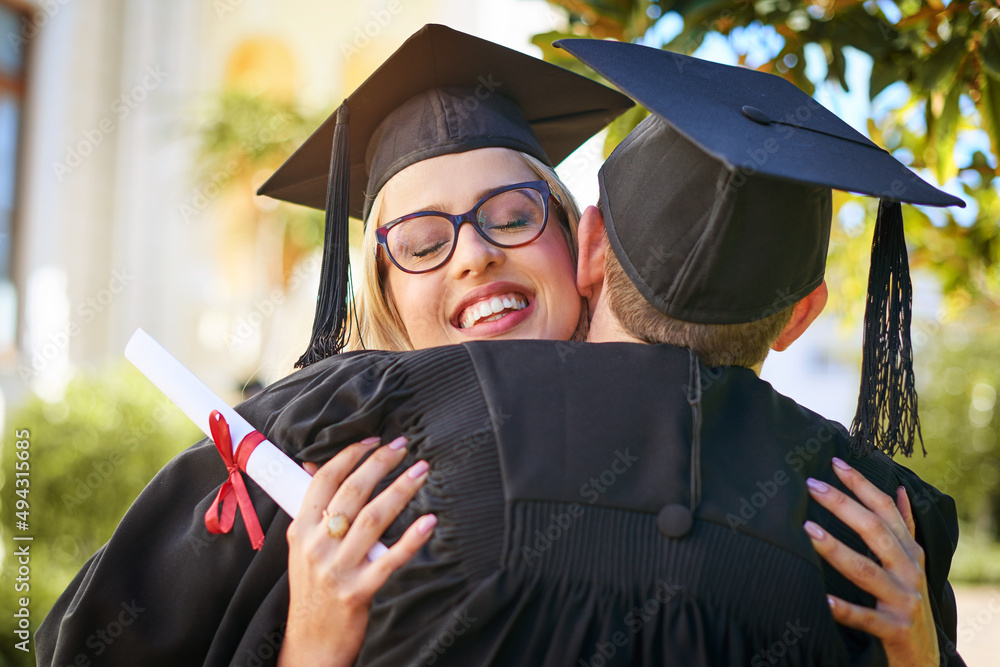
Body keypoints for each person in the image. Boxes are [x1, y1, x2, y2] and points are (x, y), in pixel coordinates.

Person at [36, 31, 959, 667]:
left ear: (584, 246)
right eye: (424, 241)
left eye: (512, 217)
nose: (475, 251)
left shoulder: (861, 528)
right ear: (381, 285)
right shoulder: (322, 446)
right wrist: (310, 638)